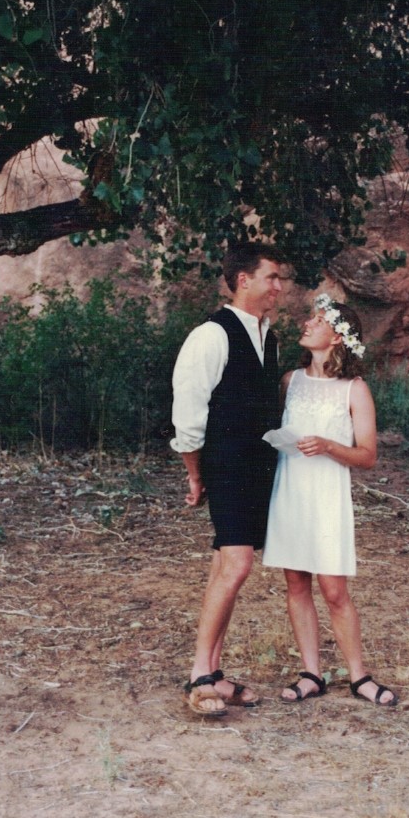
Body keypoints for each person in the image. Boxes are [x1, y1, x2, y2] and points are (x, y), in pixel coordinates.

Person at [263, 293, 398, 707]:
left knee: (334, 590)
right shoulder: (290, 381)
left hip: (326, 496)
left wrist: (327, 445)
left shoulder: (354, 390)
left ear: (338, 337)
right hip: (291, 491)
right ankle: (311, 674)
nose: (308, 323)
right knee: (296, 584)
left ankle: (359, 677)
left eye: (319, 320)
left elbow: (368, 456)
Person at [171, 241, 285, 716]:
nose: (279, 287)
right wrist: (196, 475)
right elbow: (188, 414)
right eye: (271, 277)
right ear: (243, 280)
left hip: (260, 468)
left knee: (226, 567)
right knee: (237, 566)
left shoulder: (269, 339)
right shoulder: (211, 336)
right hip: (228, 466)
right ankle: (200, 675)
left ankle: (214, 673)